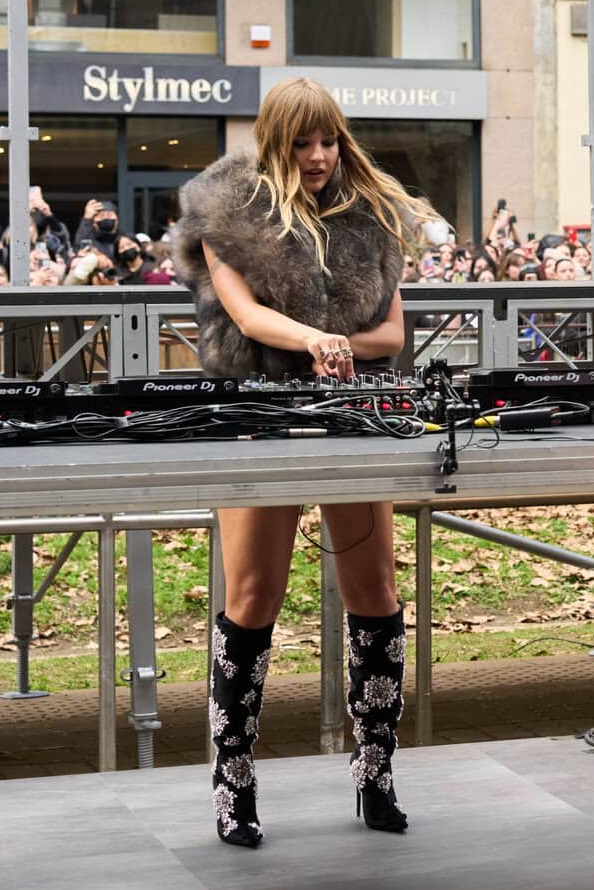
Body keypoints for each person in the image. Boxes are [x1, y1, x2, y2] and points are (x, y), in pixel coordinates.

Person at [175, 76, 437, 847]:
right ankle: (233, 782)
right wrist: (313, 341)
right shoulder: (225, 214)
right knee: (253, 596)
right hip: (258, 413)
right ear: (275, 142)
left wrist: (340, 347)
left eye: (328, 140)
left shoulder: (376, 217)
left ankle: (375, 771)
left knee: (376, 592)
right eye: (302, 142)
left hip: (354, 415)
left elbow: (391, 336)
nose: (319, 155)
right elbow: (245, 314)